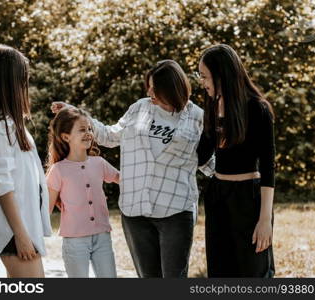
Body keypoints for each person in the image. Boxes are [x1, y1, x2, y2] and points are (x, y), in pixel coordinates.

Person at [51, 60, 214, 278]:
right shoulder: (140, 108)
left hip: (175, 210)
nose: (149, 92)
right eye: (149, 86)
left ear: (171, 88)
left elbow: (208, 160)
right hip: (135, 210)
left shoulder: (198, 118)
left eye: (154, 88)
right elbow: (110, 136)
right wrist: (78, 114)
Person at [0, 45, 52, 278]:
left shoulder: (10, 124)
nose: (25, 86)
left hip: (21, 227)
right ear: (10, 82)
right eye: (22, 80)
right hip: (12, 231)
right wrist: (21, 235)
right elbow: (2, 187)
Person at [197, 44, 276, 277]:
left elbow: (269, 167)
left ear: (221, 75)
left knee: (253, 272)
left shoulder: (258, 109)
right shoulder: (212, 105)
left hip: (249, 199)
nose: (202, 82)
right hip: (218, 195)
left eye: (204, 76)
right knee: (220, 271)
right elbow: (201, 154)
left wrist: (265, 220)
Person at [46, 107, 120, 278]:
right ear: (66, 137)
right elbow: (47, 209)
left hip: (102, 237)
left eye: (89, 129)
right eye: (81, 130)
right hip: (74, 240)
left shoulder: (99, 163)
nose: (88, 133)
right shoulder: (58, 170)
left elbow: (122, 178)